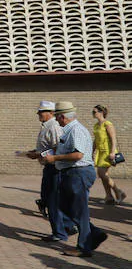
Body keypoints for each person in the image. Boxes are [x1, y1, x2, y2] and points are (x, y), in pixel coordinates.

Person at [40, 102, 108, 257]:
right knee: (66, 207)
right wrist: (43, 155)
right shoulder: (69, 130)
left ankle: (84, 246)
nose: (56, 120)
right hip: (72, 173)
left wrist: (54, 158)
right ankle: (94, 233)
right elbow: (65, 149)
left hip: (78, 173)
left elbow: (78, 155)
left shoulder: (75, 130)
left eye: (57, 117)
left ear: (62, 116)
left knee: (79, 211)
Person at [20, 100, 75, 242]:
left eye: (41, 112)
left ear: (51, 113)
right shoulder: (46, 126)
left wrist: (39, 154)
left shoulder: (54, 126)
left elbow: (58, 148)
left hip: (55, 167)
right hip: (49, 167)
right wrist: (36, 152)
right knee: (47, 198)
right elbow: (48, 147)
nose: (39, 114)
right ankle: (67, 225)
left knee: (52, 200)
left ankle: (61, 232)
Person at [92, 105, 126, 204]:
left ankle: (119, 192)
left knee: (102, 173)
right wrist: (92, 151)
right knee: (103, 175)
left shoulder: (107, 124)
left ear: (101, 112)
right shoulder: (97, 125)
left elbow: (113, 139)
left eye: (94, 112)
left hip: (108, 152)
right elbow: (96, 140)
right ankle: (109, 196)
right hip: (100, 152)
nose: (93, 114)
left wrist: (112, 152)